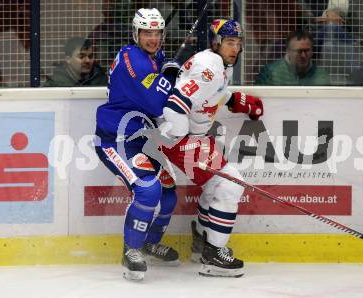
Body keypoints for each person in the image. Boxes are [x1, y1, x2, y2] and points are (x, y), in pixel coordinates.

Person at [158, 19, 264, 278]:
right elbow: (175, 105)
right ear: (216, 43)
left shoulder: (216, 64)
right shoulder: (210, 68)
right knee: (230, 184)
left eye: (238, 44)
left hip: (192, 136)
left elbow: (208, 94)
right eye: (229, 43)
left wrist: (240, 102)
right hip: (181, 138)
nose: (235, 49)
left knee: (216, 186)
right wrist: (182, 139)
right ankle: (214, 254)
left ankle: (202, 243)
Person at [94, 8, 181, 281]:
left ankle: (148, 242)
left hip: (141, 138)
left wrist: (167, 77)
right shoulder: (134, 59)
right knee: (148, 189)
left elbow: (157, 98)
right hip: (116, 139)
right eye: (147, 33)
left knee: (168, 190)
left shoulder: (154, 57)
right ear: (136, 33)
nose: (153, 38)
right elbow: (158, 104)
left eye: (157, 33)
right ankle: (131, 250)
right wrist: (169, 80)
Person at [254, 30, 330, 85]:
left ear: (312, 51)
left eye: (306, 51)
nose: (303, 55)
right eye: (299, 51)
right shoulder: (270, 72)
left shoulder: (321, 75)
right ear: (288, 51)